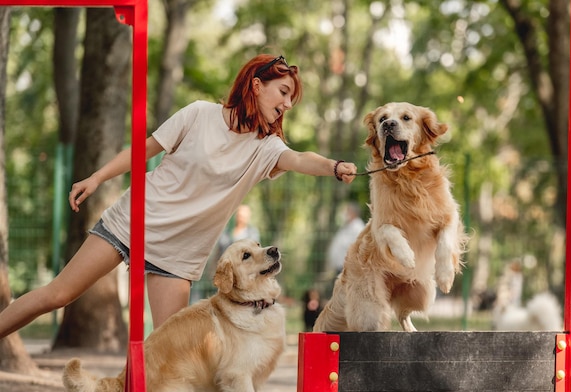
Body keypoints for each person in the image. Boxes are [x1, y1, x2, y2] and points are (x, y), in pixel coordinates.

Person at [0, 54, 357, 338]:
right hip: (136, 219)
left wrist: (334, 165)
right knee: (58, 295)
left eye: (292, 99)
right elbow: (143, 150)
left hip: (178, 253)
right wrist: (96, 178)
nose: (288, 104)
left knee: (172, 352)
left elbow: (299, 159)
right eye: (283, 92)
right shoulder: (200, 113)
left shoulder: (266, 148)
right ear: (256, 83)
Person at [327, 201, 365, 276]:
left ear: (353, 213)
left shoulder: (358, 228)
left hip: (350, 268)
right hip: (341, 267)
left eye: (347, 211)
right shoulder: (346, 226)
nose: (344, 213)